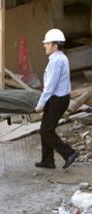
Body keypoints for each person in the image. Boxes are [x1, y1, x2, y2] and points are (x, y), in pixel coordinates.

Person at [35, 29, 78, 169]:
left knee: (46, 131)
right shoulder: (59, 58)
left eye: (47, 43)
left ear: (55, 45)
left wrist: (40, 104)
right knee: (46, 128)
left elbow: (50, 87)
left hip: (57, 100)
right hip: (58, 99)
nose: (45, 46)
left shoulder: (57, 61)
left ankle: (69, 153)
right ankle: (48, 161)